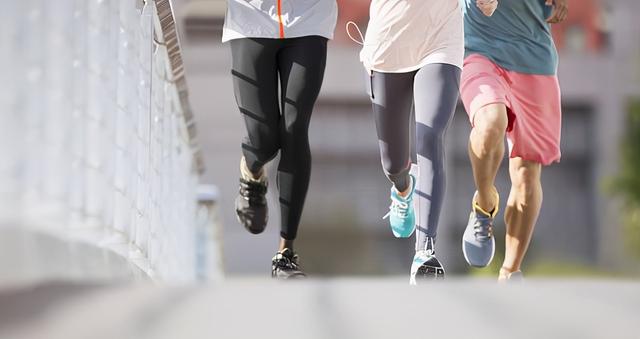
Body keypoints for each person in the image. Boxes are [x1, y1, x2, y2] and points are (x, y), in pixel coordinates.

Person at [222, 0, 337, 279]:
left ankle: (286, 253)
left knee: (295, 128)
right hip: (250, 18)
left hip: (309, 18)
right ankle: (252, 171)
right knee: (263, 139)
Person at [352, 0, 464, 283]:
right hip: (389, 46)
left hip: (441, 41)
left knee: (429, 136)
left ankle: (424, 252)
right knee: (392, 164)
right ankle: (403, 188)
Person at [460, 0, 568, 280]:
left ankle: (510, 271)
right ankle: (484, 203)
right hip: (479, 50)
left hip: (534, 59)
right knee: (491, 121)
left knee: (527, 176)